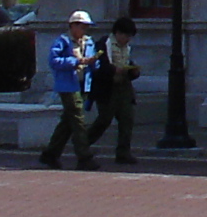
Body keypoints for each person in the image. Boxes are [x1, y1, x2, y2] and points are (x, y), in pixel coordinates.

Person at [42, 13, 99, 168]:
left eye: (86, 27)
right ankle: (84, 156)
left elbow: (93, 64)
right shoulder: (63, 41)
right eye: (81, 26)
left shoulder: (88, 42)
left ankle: (51, 153)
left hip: (83, 85)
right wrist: (75, 61)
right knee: (78, 120)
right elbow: (54, 61)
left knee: (68, 121)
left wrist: (93, 62)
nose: (84, 30)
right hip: (67, 86)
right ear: (72, 25)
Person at [84, 16, 141, 166]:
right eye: (126, 35)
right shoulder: (103, 45)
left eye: (130, 36)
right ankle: (82, 145)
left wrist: (132, 71)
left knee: (127, 118)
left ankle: (123, 152)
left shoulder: (126, 48)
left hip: (123, 87)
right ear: (118, 33)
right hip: (107, 89)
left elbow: (127, 64)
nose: (127, 39)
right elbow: (98, 67)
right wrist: (114, 70)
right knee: (104, 119)